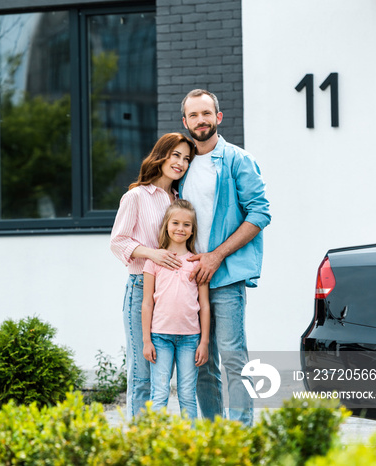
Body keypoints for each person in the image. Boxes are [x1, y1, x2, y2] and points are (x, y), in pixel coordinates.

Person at [178, 89, 271, 425]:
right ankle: (218, 436)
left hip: (226, 276)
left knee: (233, 359)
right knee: (200, 362)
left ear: (218, 117)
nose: (200, 120)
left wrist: (215, 256)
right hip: (190, 281)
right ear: (185, 121)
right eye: (194, 115)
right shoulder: (182, 165)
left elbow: (260, 214)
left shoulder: (237, 160)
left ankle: (242, 436)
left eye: (206, 113)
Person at [110, 132, 196, 418]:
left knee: (170, 380)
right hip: (141, 289)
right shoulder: (136, 196)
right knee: (142, 371)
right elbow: (117, 242)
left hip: (175, 293)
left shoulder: (178, 198)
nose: (181, 163)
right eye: (175, 155)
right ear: (161, 155)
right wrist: (152, 253)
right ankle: (139, 441)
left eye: (186, 159)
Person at [141, 199, 209, 419]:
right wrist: (146, 341)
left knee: (187, 394)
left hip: (190, 338)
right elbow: (147, 303)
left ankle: (189, 445)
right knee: (159, 393)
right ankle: (156, 442)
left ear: (192, 230)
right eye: (176, 223)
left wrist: (204, 342)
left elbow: (205, 305)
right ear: (167, 226)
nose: (180, 228)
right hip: (160, 337)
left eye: (186, 225)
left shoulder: (197, 263)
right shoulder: (154, 261)